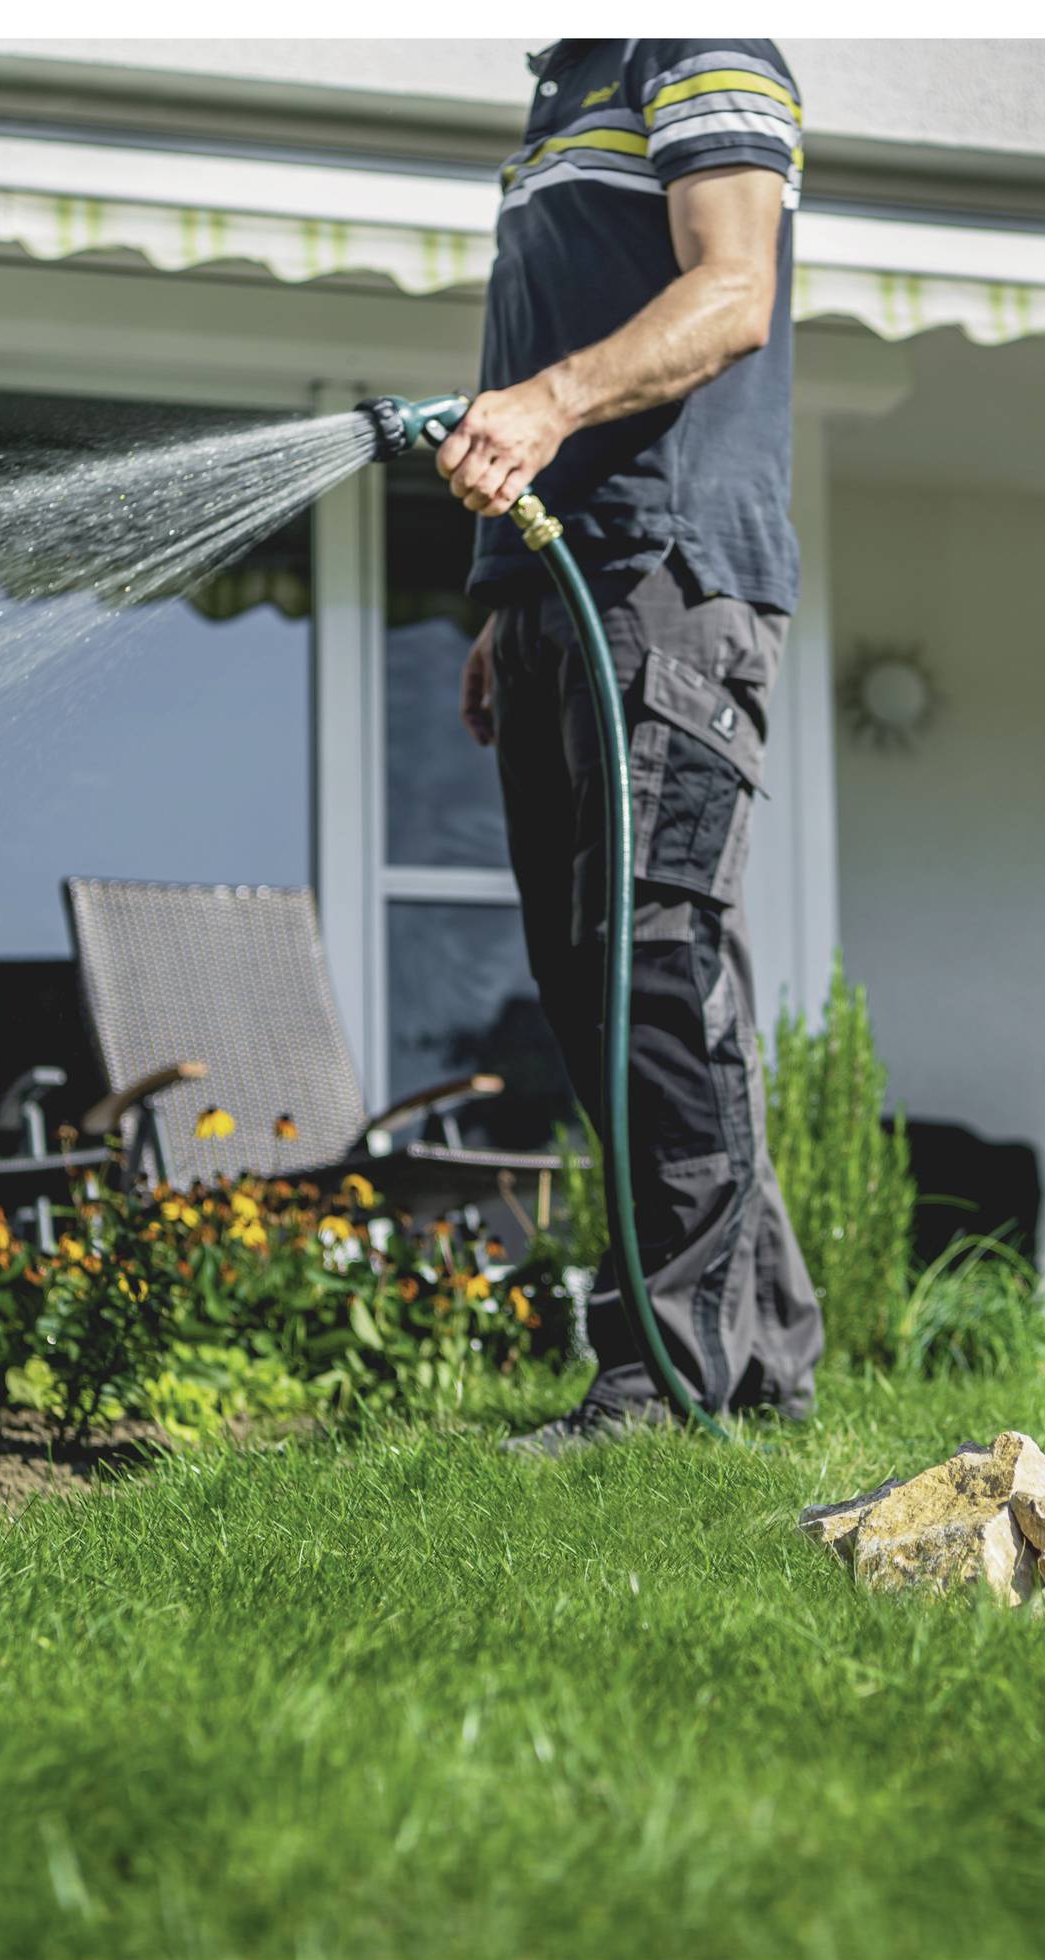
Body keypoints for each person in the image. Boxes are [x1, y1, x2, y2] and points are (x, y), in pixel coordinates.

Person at [439, 37, 822, 1452]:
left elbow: (731, 293)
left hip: (669, 576)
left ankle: (671, 1375)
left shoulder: (698, 41)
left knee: (656, 968)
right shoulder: (568, 87)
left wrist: (543, 408)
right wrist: (510, 600)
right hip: (565, 585)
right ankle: (760, 1358)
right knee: (597, 982)